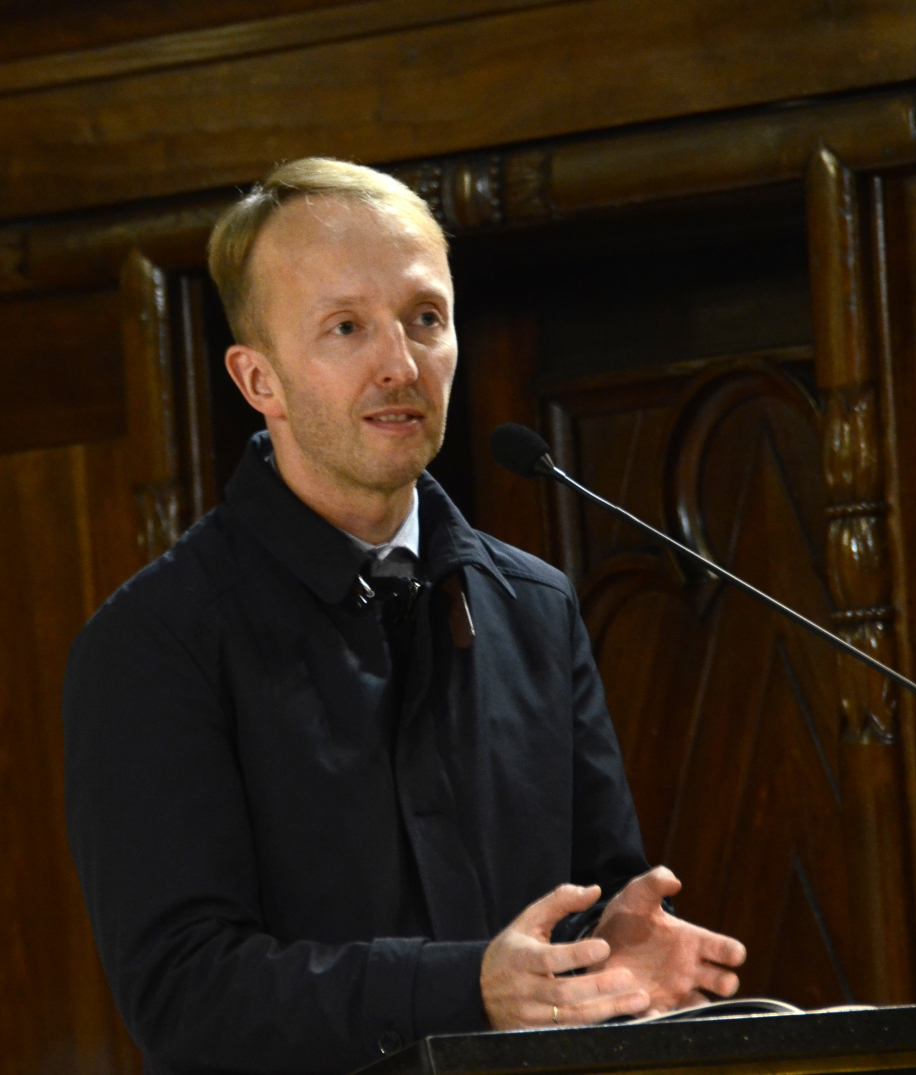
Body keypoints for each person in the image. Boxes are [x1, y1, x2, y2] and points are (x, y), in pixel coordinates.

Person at [63, 158, 746, 1075]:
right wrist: (467, 987)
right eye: (346, 327)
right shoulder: (154, 642)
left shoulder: (535, 608)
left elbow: (590, 905)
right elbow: (184, 992)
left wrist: (614, 951)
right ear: (259, 378)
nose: (401, 364)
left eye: (426, 318)